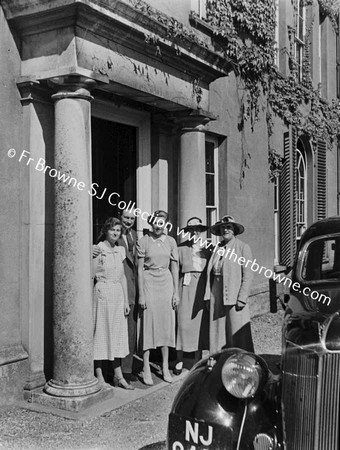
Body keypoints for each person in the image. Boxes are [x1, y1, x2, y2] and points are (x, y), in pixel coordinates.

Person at [93, 208, 138, 383]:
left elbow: (123, 278)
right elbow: (92, 273)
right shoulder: (99, 249)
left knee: (118, 334)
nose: (115, 233)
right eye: (113, 230)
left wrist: (126, 300)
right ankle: (99, 375)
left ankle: (118, 376)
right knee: (101, 333)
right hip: (103, 292)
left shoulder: (119, 250)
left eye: (118, 230)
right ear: (106, 230)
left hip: (118, 295)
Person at [136, 210, 179, 385]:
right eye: (155, 222)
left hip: (166, 282)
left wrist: (176, 292)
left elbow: (175, 268)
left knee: (166, 324)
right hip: (149, 281)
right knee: (148, 323)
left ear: (165, 224)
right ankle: (146, 367)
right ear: (150, 223)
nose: (157, 226)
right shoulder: (143, 241)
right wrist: (141, 294)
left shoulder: (171, 241)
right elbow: (139, 269)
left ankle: (165, 367)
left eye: (161, 223)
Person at [204, 215, 254, 354]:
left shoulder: (243, 247)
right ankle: (219, 363)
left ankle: (243, 366)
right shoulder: (217, 248)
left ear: (234, 230)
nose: (225, 230)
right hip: (216, 293)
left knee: (237, 334)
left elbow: (248, 274)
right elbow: (210, 273)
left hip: (234, 294)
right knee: (217, 333)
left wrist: (242, 298)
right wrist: (208, 296)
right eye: (223, 228)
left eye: (229, 227)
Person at [174, 217, 211, 375]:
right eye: (191, 230)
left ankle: (197, 359)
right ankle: (179, 359)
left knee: (200, 324)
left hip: (202, 286)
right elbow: (175, 271)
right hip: (186, 285)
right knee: (183, 323)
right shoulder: (180, 248)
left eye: (197, 229)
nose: (194, 232)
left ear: (201, 231)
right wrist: (175, 292)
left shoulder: (208, 249)